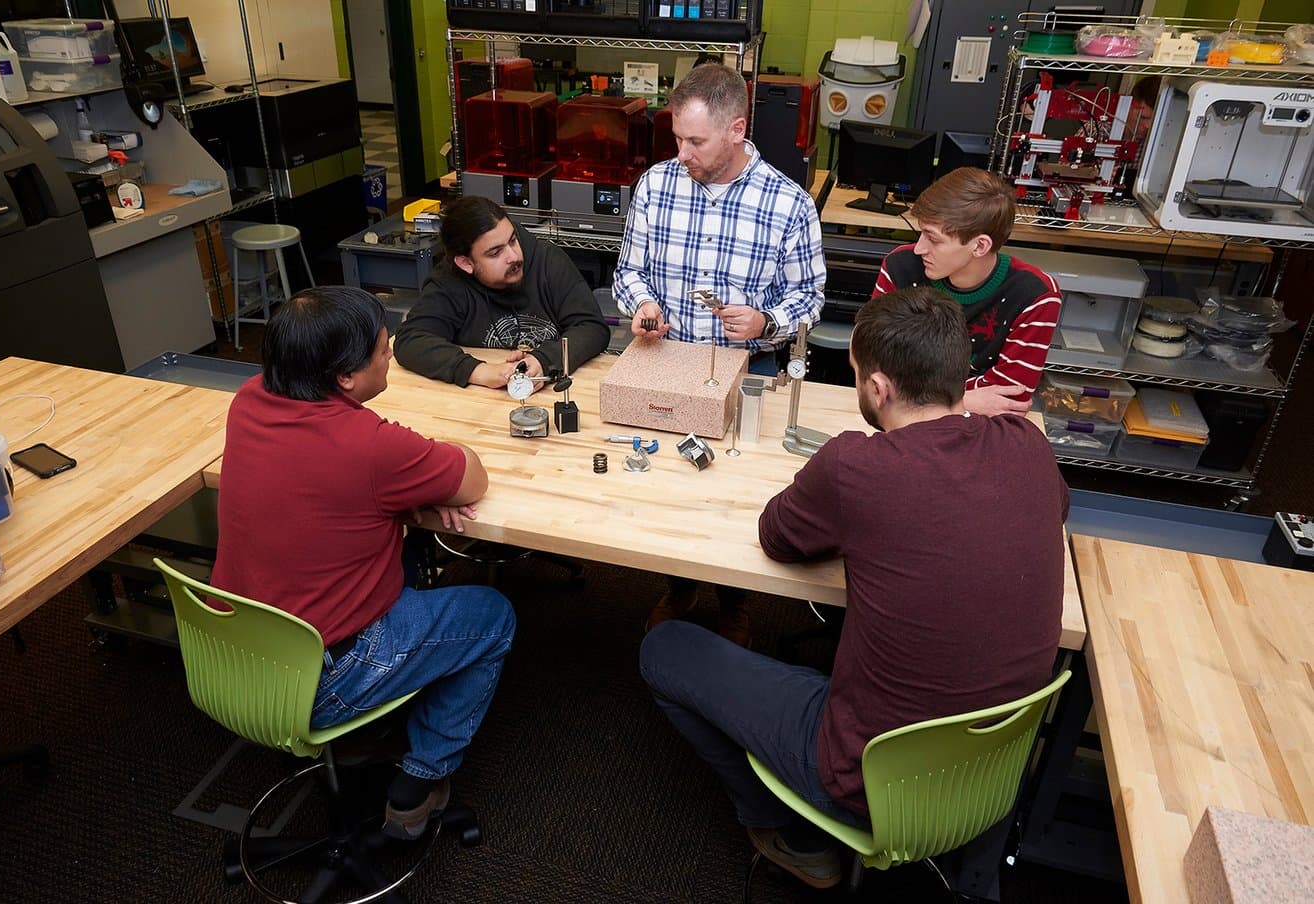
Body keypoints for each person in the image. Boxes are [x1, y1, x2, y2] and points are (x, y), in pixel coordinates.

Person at [639, 286, 1067, 890]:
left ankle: (790, 834)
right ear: (958, 375)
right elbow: (1048, 510)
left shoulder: (855, 464)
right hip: (990, 773)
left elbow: (778, 538)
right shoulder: (1028, 446)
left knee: (666, 650)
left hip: (865, 775)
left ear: (877, 388)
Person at [213, 286, 516, 841]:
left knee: (403, 559)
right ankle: (419, 784)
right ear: (345, 378)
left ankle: (363, 736)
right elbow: (472, 474)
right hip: (324, 676)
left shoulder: (249, 400)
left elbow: (319, 487)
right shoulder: (371, 446)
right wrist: (411, 480)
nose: (390, 354)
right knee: (493, 616)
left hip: (236, 657)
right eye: (383, 350)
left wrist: (398, 494)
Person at [612, 61, 826, 644]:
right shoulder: (656, 185)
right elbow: (628, 272)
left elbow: (810, 300)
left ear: (736, 129)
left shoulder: (787, 205)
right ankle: (677, 587)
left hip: (745, 371)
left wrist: (766, 321)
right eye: (677, 138)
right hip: (664, 362)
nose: (682, 152)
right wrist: (643, 304)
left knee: (732, 497)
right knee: (667, 486)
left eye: (695, 141)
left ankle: (735, 601)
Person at [871, 166, 1062, 418]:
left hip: (979, 432)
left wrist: (913, 394)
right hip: (903, 422)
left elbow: (1010, 398)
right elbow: (873, 366)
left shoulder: (1037, 295)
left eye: (933, 239)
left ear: (980, 246)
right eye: (921, 233)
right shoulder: (899, 266)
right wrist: (965, 400)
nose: (918, 249)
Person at [394, 195, 609, 391]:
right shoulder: (449, 283)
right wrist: (476, 371)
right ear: (466, 263)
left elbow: (592, 327)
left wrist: (545, 360)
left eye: (513, 240)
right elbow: (410, 340)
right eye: (495, 253)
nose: (514, 256)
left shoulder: (546, 260)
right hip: (477, 406)